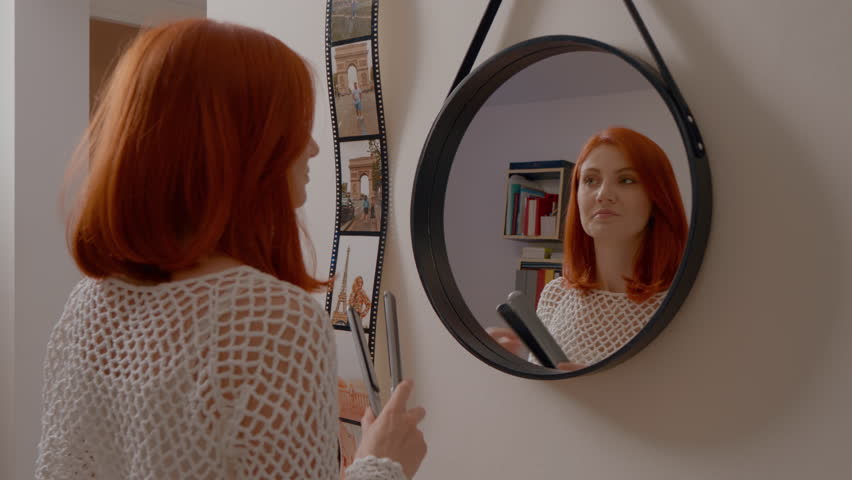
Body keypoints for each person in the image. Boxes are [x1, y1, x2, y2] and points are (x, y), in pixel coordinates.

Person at [35, 19, 426, 480]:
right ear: (241, 147)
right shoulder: (271, 319)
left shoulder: (90, 304)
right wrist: (383, 463)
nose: (315, 148)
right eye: (295, 127)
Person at [489, 127, 688, 370]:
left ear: (658, 196)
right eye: (591, 180)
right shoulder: (555, 295)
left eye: (626, 180)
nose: (603, 194)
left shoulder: (685, 303)